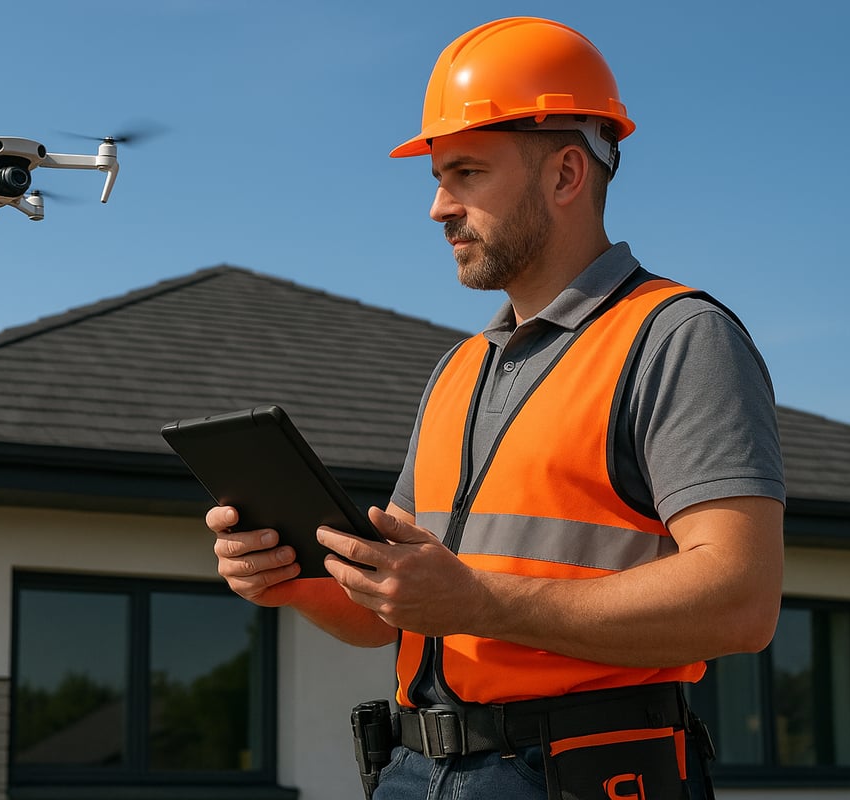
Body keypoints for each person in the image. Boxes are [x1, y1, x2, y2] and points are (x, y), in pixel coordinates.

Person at [207, 16, 785, 800]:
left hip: (585, 771)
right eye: (438, 178)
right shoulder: (459, 369)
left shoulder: (677, 337)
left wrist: (478, 601)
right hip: (415, 770)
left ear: (567, 175)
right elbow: (390, 618)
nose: (439, 207)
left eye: (468, 173)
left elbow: (742, 603)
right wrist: (291, 580)